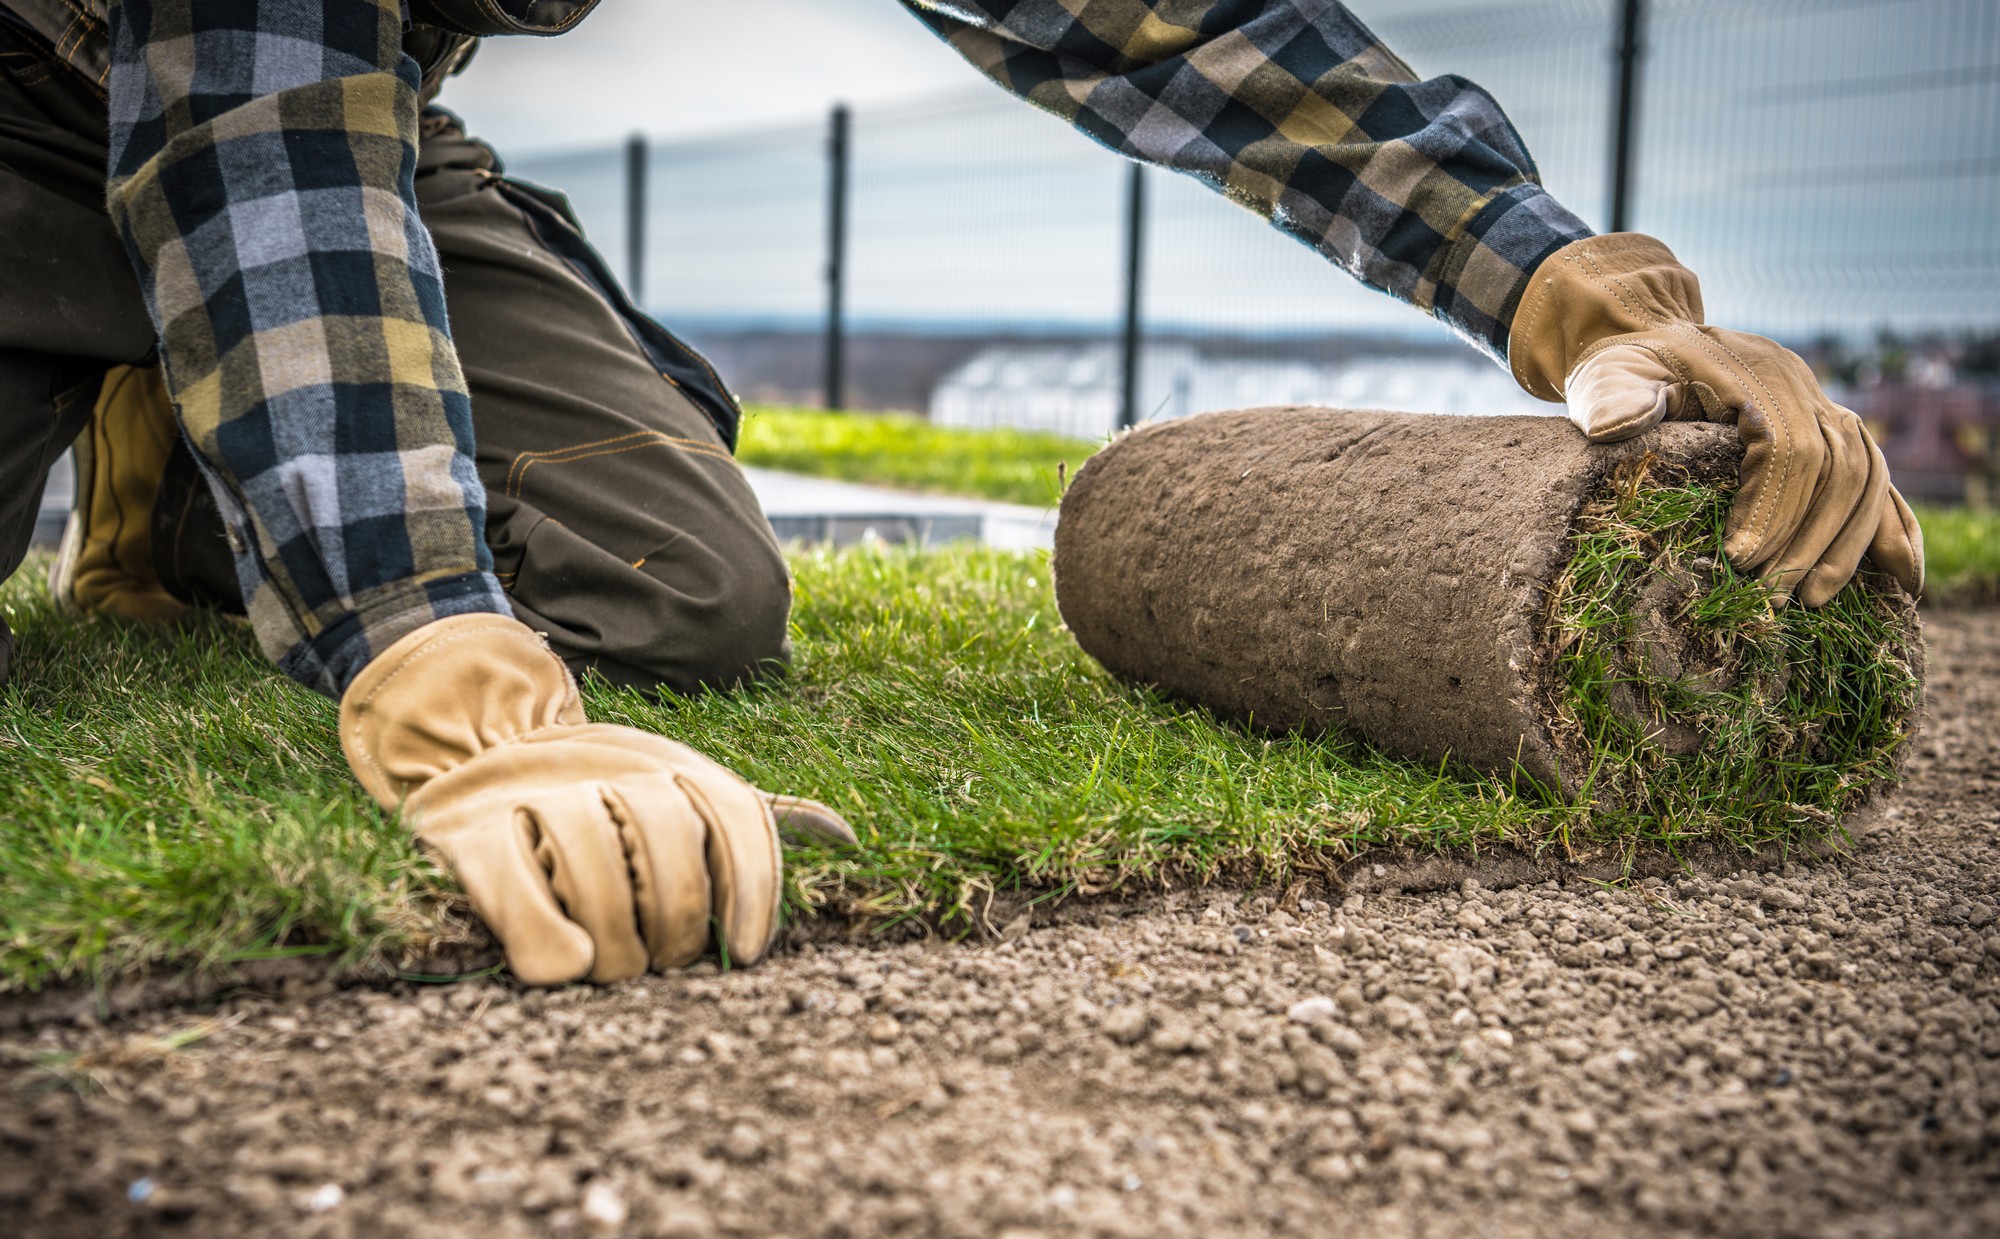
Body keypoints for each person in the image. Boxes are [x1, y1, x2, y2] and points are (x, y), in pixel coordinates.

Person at [0, 0, 1923, 984]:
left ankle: (173, 470)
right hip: (86, 97)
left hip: (380, 123)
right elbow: (247, 109)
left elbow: (1168, 21)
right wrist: (425, 645)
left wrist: (1557, 275)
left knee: (679, 593)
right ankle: (162, 403)